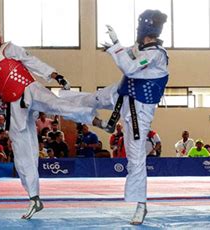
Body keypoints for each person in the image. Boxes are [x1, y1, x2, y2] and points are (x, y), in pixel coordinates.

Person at [0, 15, 105, 220]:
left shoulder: (9, 48)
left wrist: (54, 75)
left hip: (30, 89)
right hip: (14, 106)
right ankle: (34, 197)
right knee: (22, 150)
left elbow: (31, 61)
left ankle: (96, 120)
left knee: (57, 105)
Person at [59, 9, 168, 225]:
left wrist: (114, 47)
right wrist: (117, 42)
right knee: (90, 99)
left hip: (139, 109)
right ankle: (63, 100)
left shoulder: (157, 54)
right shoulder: (140, 48)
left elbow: (129, 67)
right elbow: (128, 56)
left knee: (136, 157)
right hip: (121, 93)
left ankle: (141, 205)